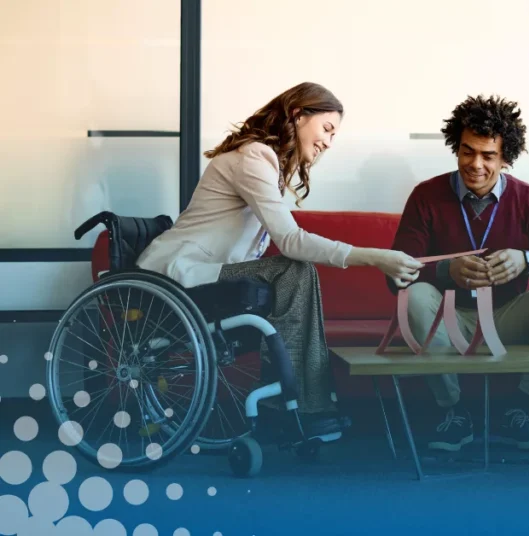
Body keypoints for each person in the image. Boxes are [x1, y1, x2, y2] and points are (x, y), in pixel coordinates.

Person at [137, 82, 424, 436]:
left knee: (293, 273)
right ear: (298, 115)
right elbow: (290, 241)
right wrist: (375, 257)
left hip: (207, 276)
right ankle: (295, 405)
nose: (328, 143)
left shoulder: (266, 162)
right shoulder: (254, 157)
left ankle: (300, 403)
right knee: (292, 268)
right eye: (327, 129)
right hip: (180, 275)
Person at [389, 94, 529, 452]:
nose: (475, 164)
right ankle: (454, 412)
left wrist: (528, 261)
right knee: (413, 295)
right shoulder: (426, 196)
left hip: (509, 316)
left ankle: (523, 409)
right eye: (467, 152)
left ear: (505, 157)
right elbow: (395, 276)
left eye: (488, 155)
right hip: (448, 318)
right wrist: (447, 270)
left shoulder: (528, 198)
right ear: (456, 148)